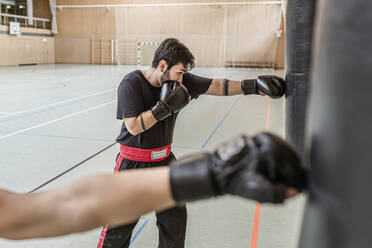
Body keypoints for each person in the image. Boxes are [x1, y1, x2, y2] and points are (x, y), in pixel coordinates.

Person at [101, 38, 287, 248]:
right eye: (179, 72)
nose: (182, 79)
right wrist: (162, 109)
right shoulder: (131, 83)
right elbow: (134, 126)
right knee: (118, 230)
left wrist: (254, 86)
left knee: (175, 223)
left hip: (164, 162)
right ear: (163, 66)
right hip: (132, 165)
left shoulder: (178, 81)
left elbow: (216, 85)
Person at [0, 133, 306, 241]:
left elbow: (66, 205)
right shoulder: (132, 85)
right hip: (135, 160)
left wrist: (212, 173)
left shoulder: (181, 79)